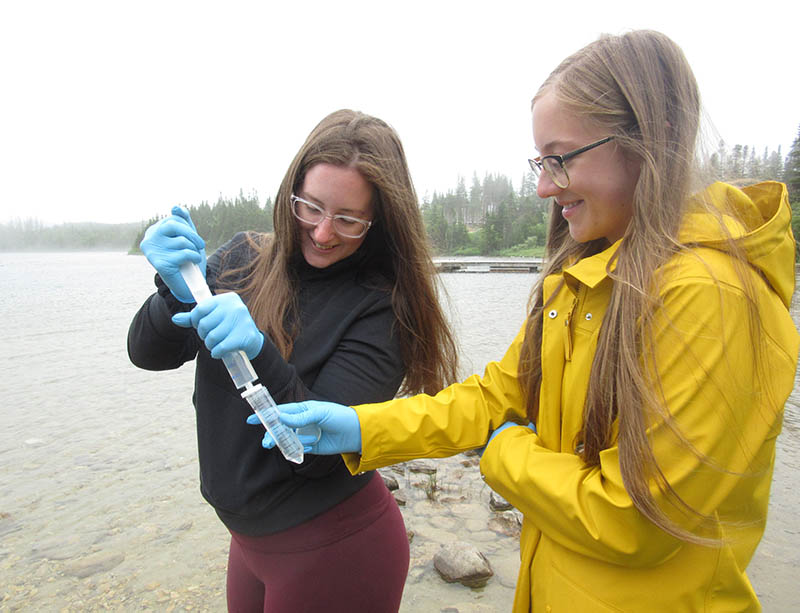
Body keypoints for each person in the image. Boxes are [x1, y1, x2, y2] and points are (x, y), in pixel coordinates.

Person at [263, 31, 800, 612]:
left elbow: (636, 521)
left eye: (560, 159)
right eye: (540, 162)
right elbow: (495, 396)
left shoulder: (708, 297)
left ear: (651, 139)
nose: (545, 186)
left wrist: (505, 453)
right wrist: (362, 428)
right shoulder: (583, 281)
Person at [127, 109, 459, 612]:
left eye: (348, 219)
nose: (324, 233)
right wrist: (173, 293)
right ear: (291, 195)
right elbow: (148, 354)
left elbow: (317, 454)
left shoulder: (385, 309)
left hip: (337, 547)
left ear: (379, 221)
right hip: (249, 544)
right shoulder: (242, 259)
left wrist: (257, 350)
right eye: (312, 208)